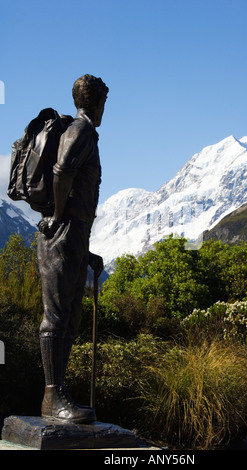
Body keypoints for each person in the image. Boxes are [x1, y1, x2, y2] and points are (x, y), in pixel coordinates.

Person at [37, 74, 108, 423]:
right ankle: (53, 398)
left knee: (69, 318)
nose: (104, 109)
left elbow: (76, 190)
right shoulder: (81, 130)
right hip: (64, 230)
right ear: (95, 102)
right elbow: (62, 170)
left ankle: (58, 394)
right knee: (57, 316)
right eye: (104, 102)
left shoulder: (84, 132)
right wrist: (59, 218)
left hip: (74, 234)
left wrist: (86, 249)